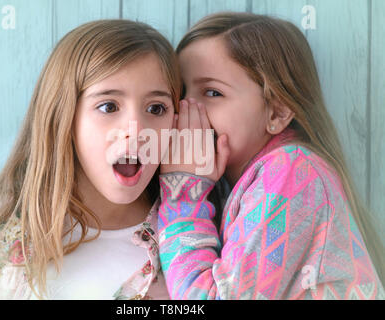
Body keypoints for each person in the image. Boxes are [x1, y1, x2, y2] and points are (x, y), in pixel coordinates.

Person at [0, 19, 181, 300]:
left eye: (156, 108)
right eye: (108, 106)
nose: (136, 130)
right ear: (64, 117)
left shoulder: (191, 243)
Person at [158, 12, 385, 299]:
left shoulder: (292, 171)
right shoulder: (259, 177)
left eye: (212, 92)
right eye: (180, 93)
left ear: (277, 112)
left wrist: (183, 193)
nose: (186, 109)